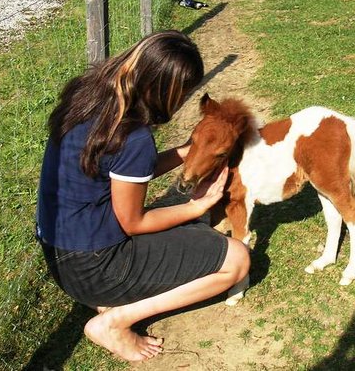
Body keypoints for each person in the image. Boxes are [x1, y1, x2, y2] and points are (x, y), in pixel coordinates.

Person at [35, 30, 250, 361]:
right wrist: (198, 206)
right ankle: (114, 322)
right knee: (236, 259)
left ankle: (112, 298)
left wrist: (186, 152)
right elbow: (134, 222)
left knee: (188, 233)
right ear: (165, 89)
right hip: (93, 266)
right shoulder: (132, 137)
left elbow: (124, 171)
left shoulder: (87, 95)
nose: (180, 104)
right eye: (183, 94)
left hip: (59, 251)